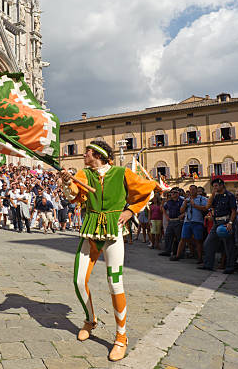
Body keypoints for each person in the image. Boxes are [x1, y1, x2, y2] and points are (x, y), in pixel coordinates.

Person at [59, 141, 157, 362]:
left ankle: (121, 337)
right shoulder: (85, 174)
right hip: (90, 232)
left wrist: (130, 211)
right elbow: (74, 193)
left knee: (115, 283)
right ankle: (90, 320)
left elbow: (147, 190)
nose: (84, 155)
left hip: (113, 232)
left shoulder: (122, 173)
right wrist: (67, 183)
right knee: (78, 280)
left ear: (99, 155)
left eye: (88, 152)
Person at [200, 178, 237, 273]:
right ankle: (208, 264)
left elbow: (233, 211)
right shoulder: (216, 196)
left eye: (216, 186)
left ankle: (230, 267)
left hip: (226, 222)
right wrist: (212, 194)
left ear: (222, 185)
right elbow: (208, 207)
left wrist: (230, 223)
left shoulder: (229, 195)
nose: (215, 188)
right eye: (213, 186)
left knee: (229, 246)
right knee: (208, 243)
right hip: (216, 223)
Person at [171, 185, 207, 262]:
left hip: (198, 222)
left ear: (196, 190)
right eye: (190, 190)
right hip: (187, 221)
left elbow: (205, 208)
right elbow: (181, 211)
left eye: (193, 190)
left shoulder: (202, 199)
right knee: (183, 239)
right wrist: (184, 203)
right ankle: (177, 255)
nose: (192, 191)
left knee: (198, 240)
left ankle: (200, 258)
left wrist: (194, 205)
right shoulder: (187, 199)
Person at [160, 188, 183, 257]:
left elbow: (187, 208)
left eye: (175, 192)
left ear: (178, 194)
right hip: (171, 221)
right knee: (168, 236)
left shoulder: (182, 201)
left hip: (178, 221)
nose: (172, 194)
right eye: (172, 192)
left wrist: (183, 214)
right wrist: (166, 216)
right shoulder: (169, 202)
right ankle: (167, 251)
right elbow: (164, 208)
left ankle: (180, 253)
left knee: (179, 238)